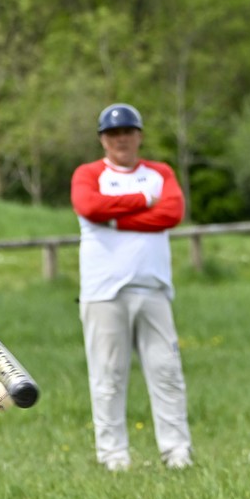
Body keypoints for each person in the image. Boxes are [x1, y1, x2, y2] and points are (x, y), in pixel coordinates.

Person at [70, 102, 193, 471]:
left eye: (127, 132)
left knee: (167, 372)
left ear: (138, 136)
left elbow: (171, 212)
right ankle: (113, 458)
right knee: (108, 375)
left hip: (153, 288)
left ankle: (177, 454)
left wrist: (117, 220)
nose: (120, 140)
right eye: (113, 134)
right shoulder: (89, 173)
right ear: (102, 140)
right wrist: (142, 202)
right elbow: (89, 206)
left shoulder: (160, 173)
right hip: (104, 292)